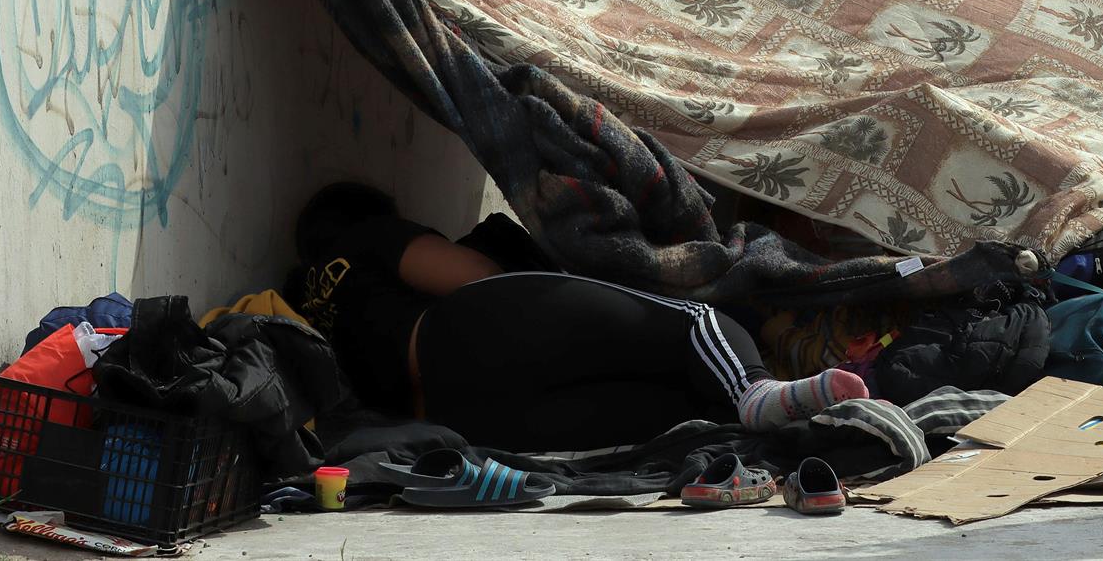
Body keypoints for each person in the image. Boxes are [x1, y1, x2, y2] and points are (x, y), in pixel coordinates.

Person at [284, 183, 867, 451]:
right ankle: (758, 390)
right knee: (688, 324)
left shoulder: (299, 300)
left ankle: (789, 415)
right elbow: (473, 277)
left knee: (680, 416)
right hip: (460, 336)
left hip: (463, 421)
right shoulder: (368, 236)